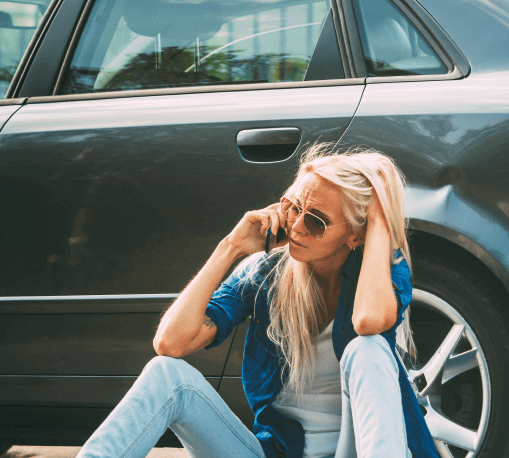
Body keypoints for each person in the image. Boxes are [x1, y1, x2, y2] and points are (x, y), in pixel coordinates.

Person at [77, 145, 438, 458]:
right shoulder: (265, 273)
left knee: (368, 348)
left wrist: (379, 221)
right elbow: (171, 343)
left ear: (356, 235)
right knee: (167, 375)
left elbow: (368, 322)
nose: (296, 226)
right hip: (276, 451)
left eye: (316, 222)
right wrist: (230, 248)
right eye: (292, 207)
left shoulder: (384, 272)